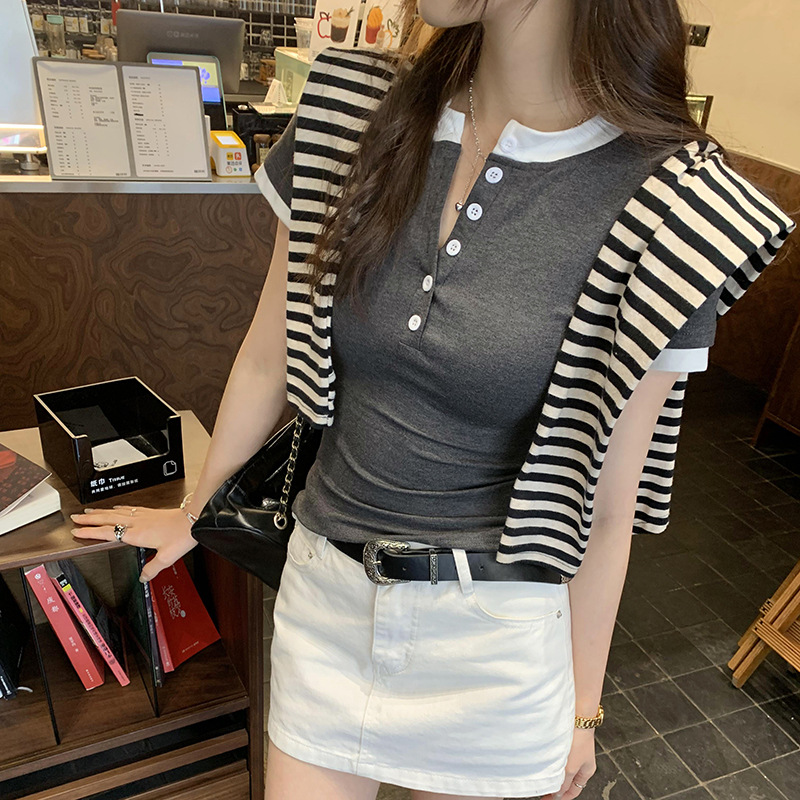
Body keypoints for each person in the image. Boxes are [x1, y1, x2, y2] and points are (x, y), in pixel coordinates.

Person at [70, 1, 795, 799]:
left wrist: (583, 707)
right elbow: (267, 355)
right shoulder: (351, 118)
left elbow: (609, 503)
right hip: (324, 603)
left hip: (496, 642)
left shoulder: (675, 206)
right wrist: (196, 509)